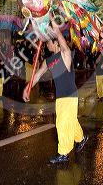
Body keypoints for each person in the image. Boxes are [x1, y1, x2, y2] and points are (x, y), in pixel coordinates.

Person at [22, 18, 88, 164]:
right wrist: (28, 88)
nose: (46, 44)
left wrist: (52, 21)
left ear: (56, 43)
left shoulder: (66, 55)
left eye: (49, 42)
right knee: (69, 120)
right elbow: (38, 75)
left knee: (62, 123)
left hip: (70, 95)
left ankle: (63, 153)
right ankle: (81, 138)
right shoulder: (48, 60)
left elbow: (60, 38)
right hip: (60, 97)